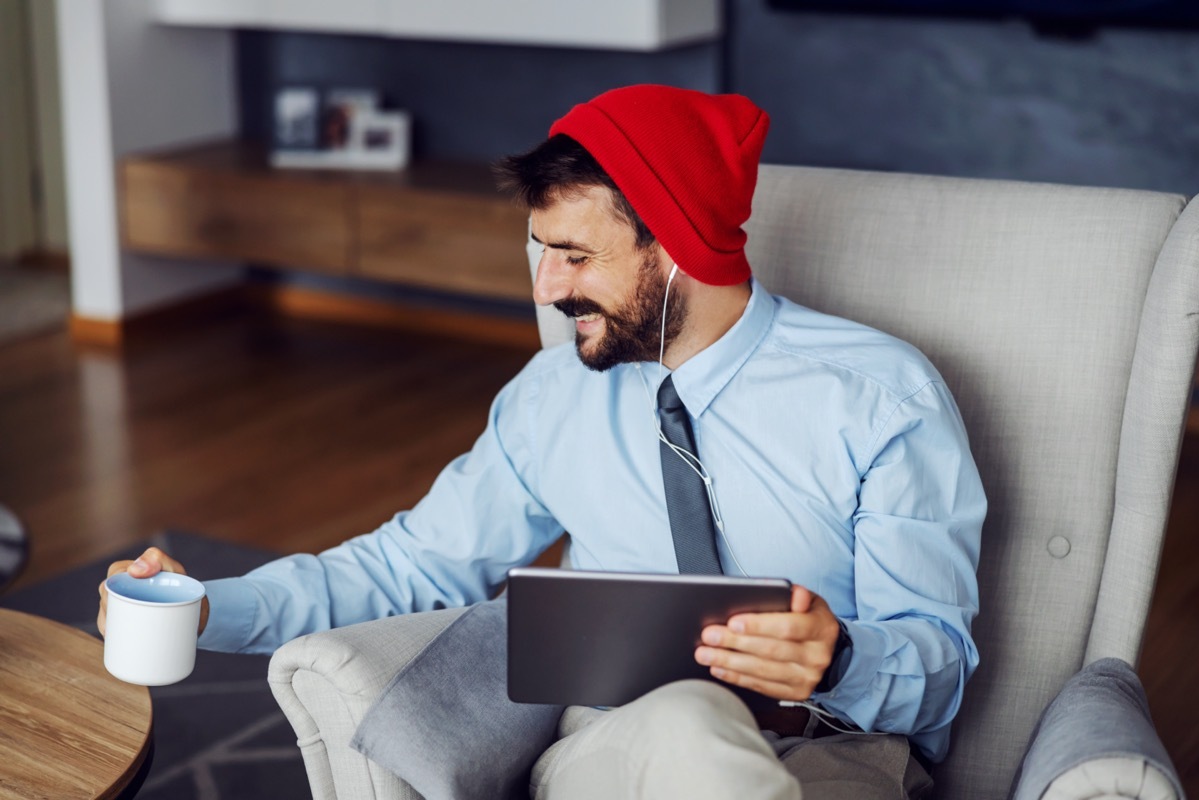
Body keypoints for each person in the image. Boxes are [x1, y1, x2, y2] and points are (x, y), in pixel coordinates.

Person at [99, 85, 985, 799]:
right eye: (539, 251)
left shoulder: (880, 399)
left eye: (574, 254)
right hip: (611, 751)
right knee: (686, 722)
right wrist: (207, 606)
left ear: (675, 248)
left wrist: (841, 658)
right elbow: (404, 568)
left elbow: (941, 671)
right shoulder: (552, 397)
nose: (546, 288)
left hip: (837, 758)